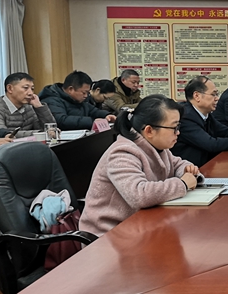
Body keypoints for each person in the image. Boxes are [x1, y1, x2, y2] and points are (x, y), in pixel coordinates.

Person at [79, 95, 200, 236]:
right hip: (109, 234)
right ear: (149, 131)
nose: (178, 132)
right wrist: (182, 183)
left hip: (139, 225)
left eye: (178, 126)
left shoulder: (157, 146)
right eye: (174, 127)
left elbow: (178, 164)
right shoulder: (122, 153)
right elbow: (139, 195)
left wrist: (187, 170)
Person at [0, 72, 55, 137]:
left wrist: (39, 107)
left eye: (32, 89)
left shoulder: (28, 106)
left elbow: (49, 128)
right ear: (10, 88)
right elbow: (3, 134)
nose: (31, 93)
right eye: (25, 88)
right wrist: (40, 134)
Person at [39, 70, 117, 130]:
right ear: (71, 89)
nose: (86, 96)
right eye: (84, 92)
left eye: (87, 92)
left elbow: (93, 110)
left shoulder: (79, 99)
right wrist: (92, 121)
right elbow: (62, 121)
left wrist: (106, 115)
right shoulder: (52, 100)